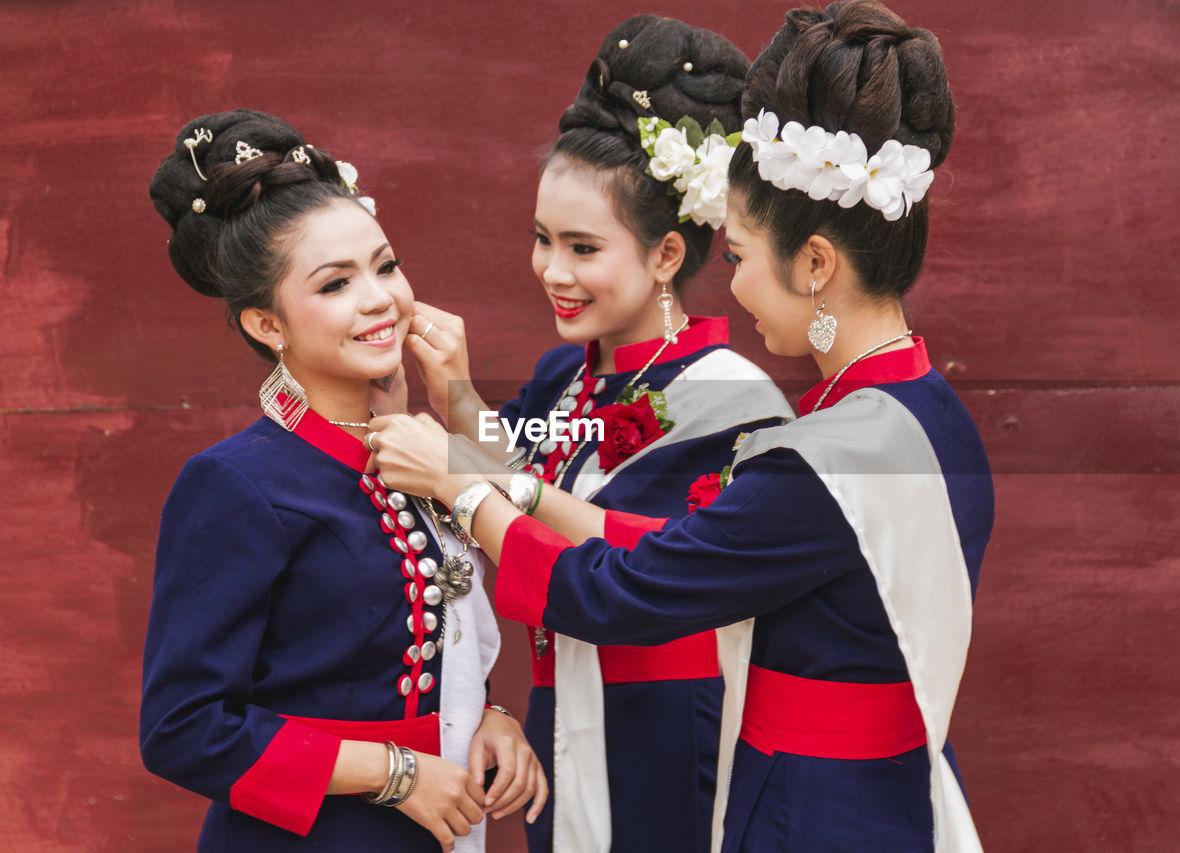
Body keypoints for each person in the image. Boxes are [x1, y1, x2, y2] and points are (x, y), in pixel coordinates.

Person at [370, 2, 992, 851]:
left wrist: (463, 485)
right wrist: (488, 458)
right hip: (877, 794)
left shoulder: (825, 454)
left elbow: (619, 587)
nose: (729, 285)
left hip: (804, 810)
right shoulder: (926, 416)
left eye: (737, 257)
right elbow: (662, 544)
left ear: (814, 262)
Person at [400, 15, 792, 853]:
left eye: (583, 246)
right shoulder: (563, 377)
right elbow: (524, 502)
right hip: (561, 704)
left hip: (664, 725)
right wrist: (459, 394)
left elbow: (634, 561)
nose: (552, 270)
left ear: (666, 254)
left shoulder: (726, 399)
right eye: (543, 239)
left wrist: (455, 470)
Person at [139, 109, 546, 853]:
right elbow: (182, 726)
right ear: (268, 325)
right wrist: (394, 771)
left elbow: (525, 528)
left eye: (385, 265)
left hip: (441, 828)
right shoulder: (237, 483)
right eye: (335, 284)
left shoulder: (414, 449)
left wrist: (489, 717)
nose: (379, 298)